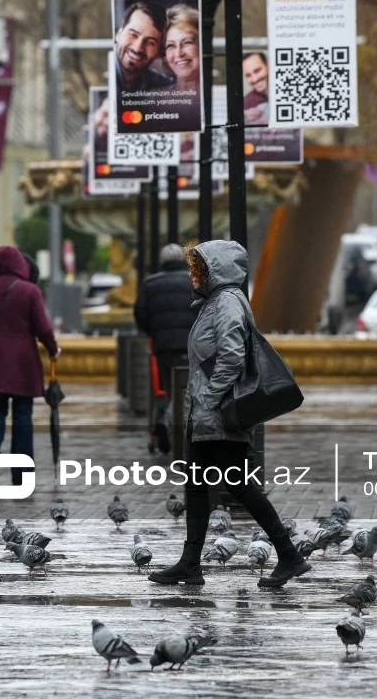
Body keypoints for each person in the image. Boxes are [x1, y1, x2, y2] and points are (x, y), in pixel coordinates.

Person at [149, 240, 311, 589]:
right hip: (207, 416)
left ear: (216, 270)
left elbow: (232, 356)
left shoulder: (226, 303)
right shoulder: (213, 303)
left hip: (219, 416)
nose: (193, 274)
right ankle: (191, 563)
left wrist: (207, 398)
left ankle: (289, 554)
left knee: (238, 486)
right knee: (197, 487)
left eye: (199, 268)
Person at [0, 246, 58, 482]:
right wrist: (53, 349)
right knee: (23, 414)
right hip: (23, 362)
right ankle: (21, 473)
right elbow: (43, 328)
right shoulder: (30, 291)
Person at [133, 243, 197, 455]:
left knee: (167, 388)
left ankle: (164, 421)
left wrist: (154, 331)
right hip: (192, 345)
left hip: (163, 347)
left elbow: (140, 314)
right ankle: (175, 425)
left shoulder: (150, 283)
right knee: (191, 389)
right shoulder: (194, 281)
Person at [114, 1, 176, 95]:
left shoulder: (163, 86)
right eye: (133, 35)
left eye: (150, 42)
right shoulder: (101, 76)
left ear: (160, 52)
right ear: (119, 34)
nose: (138, 48)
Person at [163, 4, 203, 130]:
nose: (179, 53)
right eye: (170, 45)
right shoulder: (153, 100)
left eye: (187, 42)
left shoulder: (219, 99)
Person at [242, 52, 269, 125]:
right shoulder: (247, 103)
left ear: (268, 65)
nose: (254, 79)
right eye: (248, 75)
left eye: (257, 71)